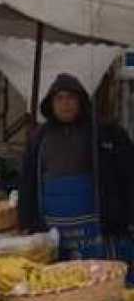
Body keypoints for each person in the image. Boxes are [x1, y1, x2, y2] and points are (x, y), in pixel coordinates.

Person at [18, 74, 134, 263]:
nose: (66, 104)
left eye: (71, 98)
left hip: (99, 228)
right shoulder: (39, 138)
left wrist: (126, 217)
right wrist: (27, 222)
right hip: (53, 230)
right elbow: (27, 181)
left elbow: (128, 175)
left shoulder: (105, 132)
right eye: (60, 98)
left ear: (81, 101)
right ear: (51, 103)